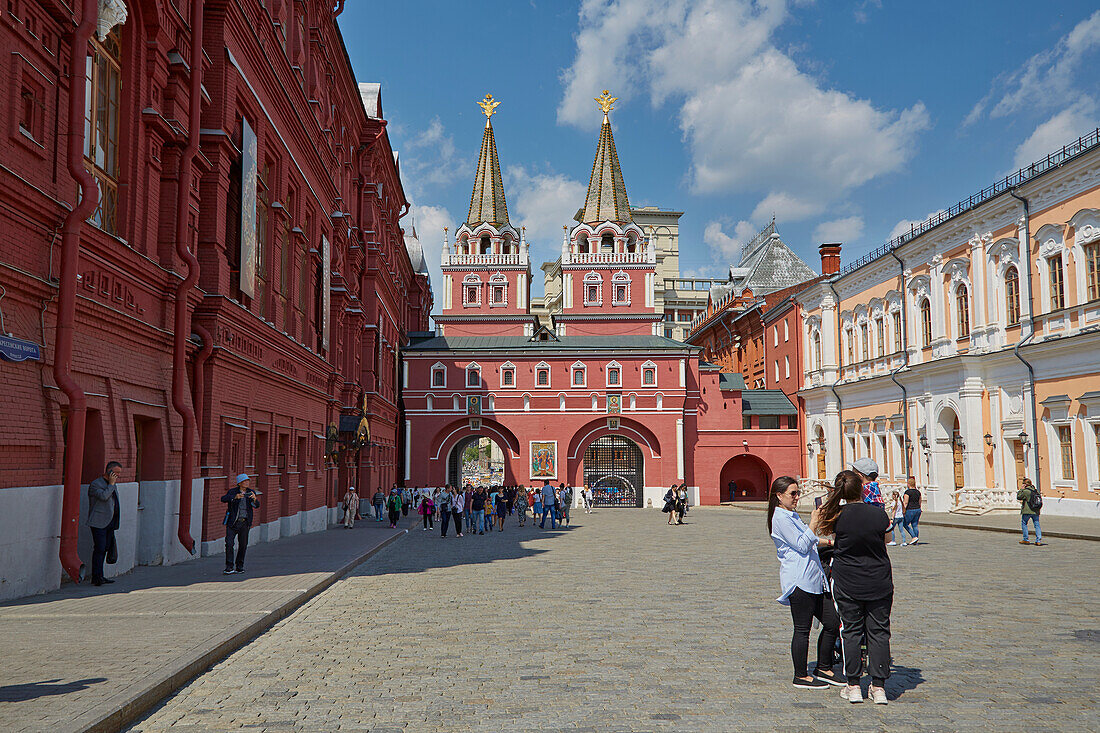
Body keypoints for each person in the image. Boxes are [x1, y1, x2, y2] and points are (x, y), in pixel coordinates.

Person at [817, 470, 893, 705]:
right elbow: (888, 540)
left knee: (850, 631)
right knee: (878, 631)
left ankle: (853, 685)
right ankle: (878, 687)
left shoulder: (835, 516)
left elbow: (824, 533)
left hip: (847, 579)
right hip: (878, 578)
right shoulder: (878, 514)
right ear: (862, 489)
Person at [767, 476, 842, 689]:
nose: (797, 497)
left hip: (814, 579)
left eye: (798, 492)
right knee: (802, 629)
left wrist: (829, 541)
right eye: (793, 493)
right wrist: (814, 523)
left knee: (832, 621)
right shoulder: (780, 518)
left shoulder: (790, 515)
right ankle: (800, 675)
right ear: (779, 496)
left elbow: (807, 539)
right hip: (798, 581)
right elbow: (801, 544)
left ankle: (824, 667)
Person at [87, 461, 123, 586]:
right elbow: (103, 496)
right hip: (98, 522)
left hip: (110, 522)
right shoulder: (96, 484)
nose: (118, 475)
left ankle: (101, 575)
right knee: (100, 549)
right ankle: (96, 577)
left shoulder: (112, 485)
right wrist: (111, 484)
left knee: (106, 548)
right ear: (109, 471)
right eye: (116, 472)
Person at [221, 473, 260, 575]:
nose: (247, 482)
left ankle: (239, 566)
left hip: (244, 523)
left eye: (248, 481)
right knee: (229, 544)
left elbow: (257, 506)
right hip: (232, 523)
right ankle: (229, 567)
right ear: (239, 483)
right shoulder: (232, 492)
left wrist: (254, 499)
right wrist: (235, 497)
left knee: (243, 545)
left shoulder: (251, 492)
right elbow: (223, 499)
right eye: (245, 481)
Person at [1017, 478, 1044, 546]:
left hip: (1027, 510)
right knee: (1037, 524)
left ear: (1025, 484)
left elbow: (1019, 497)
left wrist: (1021, 489)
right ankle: (1038, 540)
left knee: (1024, 523)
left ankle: (1026, 539)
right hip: (1035, 510)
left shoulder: (1026, 491)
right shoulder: (1035, 490)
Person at [900, 477, 922, 546]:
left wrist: (903, 510)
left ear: (908, 484)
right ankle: (916, 539)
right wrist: (919, 508)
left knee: (905, 524)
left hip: (910, 509)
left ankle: (914, 537)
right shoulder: (918, 492)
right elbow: (920, 501)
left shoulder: (907, 492)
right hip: (917, 509)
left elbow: (905, 502)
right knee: (915, 525)